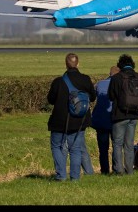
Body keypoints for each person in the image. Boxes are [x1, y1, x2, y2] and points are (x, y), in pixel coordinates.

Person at [47, 52, 96, 181]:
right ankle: (75, 178)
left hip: (60, 121)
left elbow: (50, 99)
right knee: (76, 149)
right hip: (80, 120)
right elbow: (93, 97)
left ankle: (61, 175)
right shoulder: (86, 79)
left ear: (65, 64)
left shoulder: (58, 81)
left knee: (56, 146)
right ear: (78, 64)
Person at [108, 54, 138, 175]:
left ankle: (119, 170)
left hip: (120, 114)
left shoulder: (116, 78)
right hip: (135, 114)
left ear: (120, 65)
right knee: (129, 144)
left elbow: (111, 96)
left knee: (117, 143)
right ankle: (130, 170)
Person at [91, 65, 120, 174]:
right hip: (114, 119)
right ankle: (116, 169)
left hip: (100, 120)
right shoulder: (119, 84)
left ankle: (104, 170)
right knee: (116, 146)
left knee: (103, 149)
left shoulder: (100, 84)